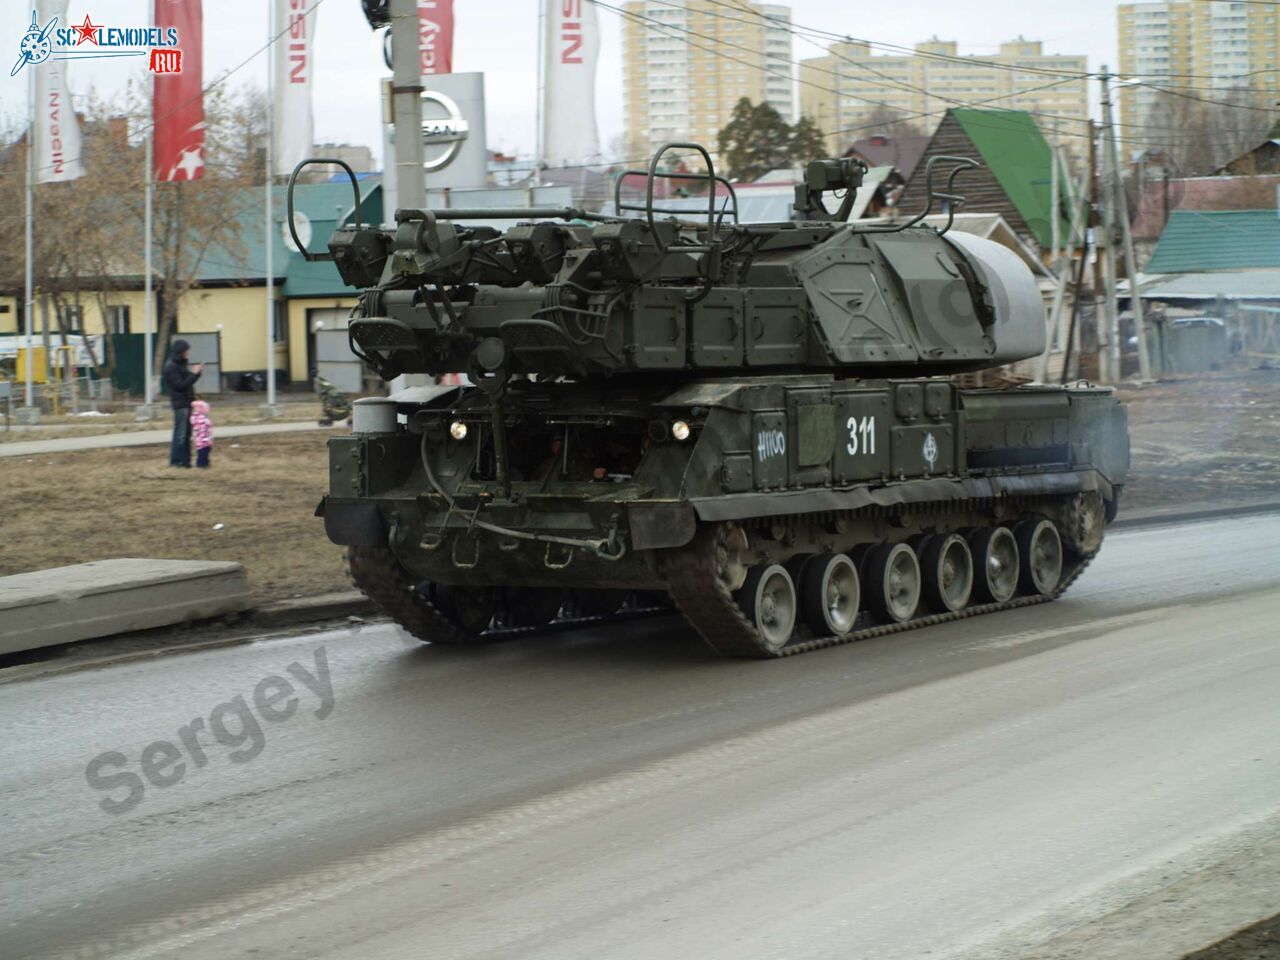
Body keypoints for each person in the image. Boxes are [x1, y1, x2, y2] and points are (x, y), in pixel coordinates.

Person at [163, 340, 203, 467]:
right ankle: (176, 461)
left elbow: (188, 381)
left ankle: (185, 461)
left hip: (187, 402)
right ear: (180, 352)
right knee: (180, 434)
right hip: (181, 404)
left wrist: (197, 374)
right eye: (186, 351)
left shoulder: (179, 364)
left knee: (186, 434)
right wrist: (194, 374)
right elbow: (180, 385)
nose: (188, 353)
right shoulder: (171, 367)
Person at [190, 399, 213, 468]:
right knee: (204, 451)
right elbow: (203, 429)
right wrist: (206, 439)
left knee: (202, 451)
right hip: (203, 438)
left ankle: (203, 463)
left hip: (199, 438)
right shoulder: (201, 418)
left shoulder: (196, 417)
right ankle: (202, 464)